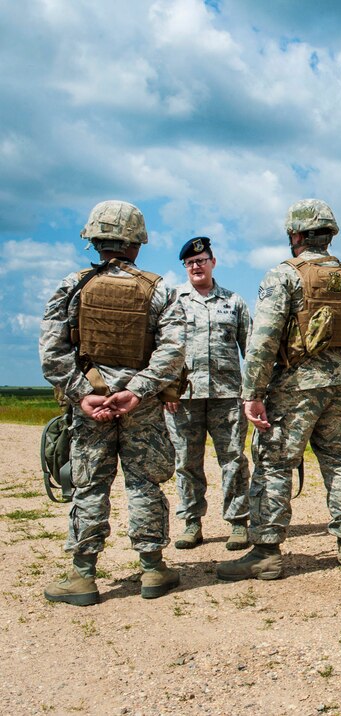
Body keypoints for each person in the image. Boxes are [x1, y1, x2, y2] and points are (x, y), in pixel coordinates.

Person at [216, 199, 341, 581]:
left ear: (295, 235)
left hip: (296, 386)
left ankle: (266, 552)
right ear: (328, 235)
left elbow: (262, 341)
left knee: (276, 463)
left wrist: (253, 393)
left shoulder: (284, 276)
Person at [39, 200, 186, 605]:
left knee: (89, 486)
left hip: (92, 406)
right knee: (145, 483)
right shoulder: (160, 290)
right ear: (137, 244)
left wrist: (83, 395)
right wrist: (137, 391)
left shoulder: (73, 286)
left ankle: (83, 576)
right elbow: (172, 353)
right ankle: (153, 569)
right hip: (142, 407)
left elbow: (52, 352)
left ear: (96, 241)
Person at [165, 237, 252, 551]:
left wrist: (253, 392)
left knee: (233, 461)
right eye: (190, 263)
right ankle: (191, 523)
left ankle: (238, 522)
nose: (195, 266)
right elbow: (161, 348)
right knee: (186, 463)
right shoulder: (172, 300)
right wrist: (165, 388)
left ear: (213, 262)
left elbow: (251, 349)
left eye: (201, 260)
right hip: (182, 399)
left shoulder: (234, 302)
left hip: (228, 397)